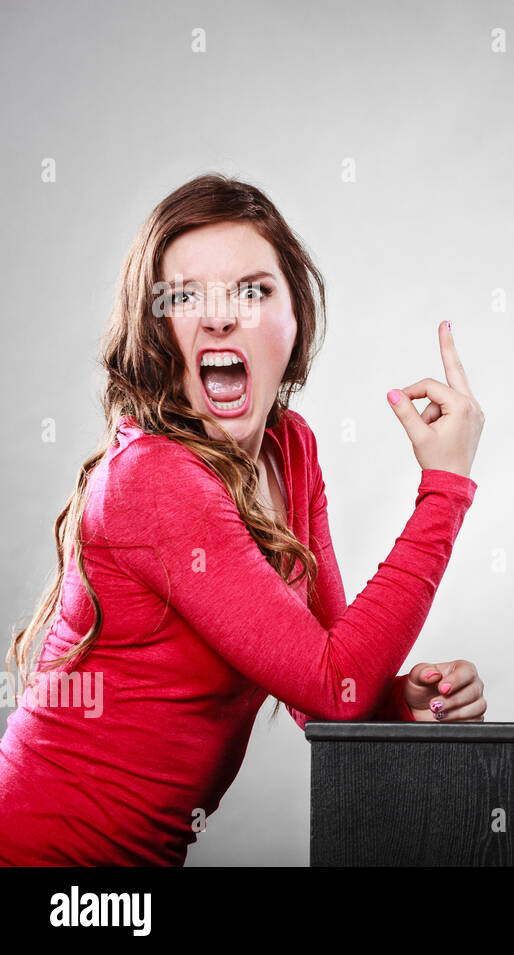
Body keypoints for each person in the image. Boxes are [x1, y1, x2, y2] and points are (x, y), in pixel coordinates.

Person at [0, 174, 486, 865]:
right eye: (186, 294)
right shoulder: (154, 479)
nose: (221, 316)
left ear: (296, 321)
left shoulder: (291, 448)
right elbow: (332, 685)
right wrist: (445, 488)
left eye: (254, 290)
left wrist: (404, 701)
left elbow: (327, 688)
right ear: (159, 329)